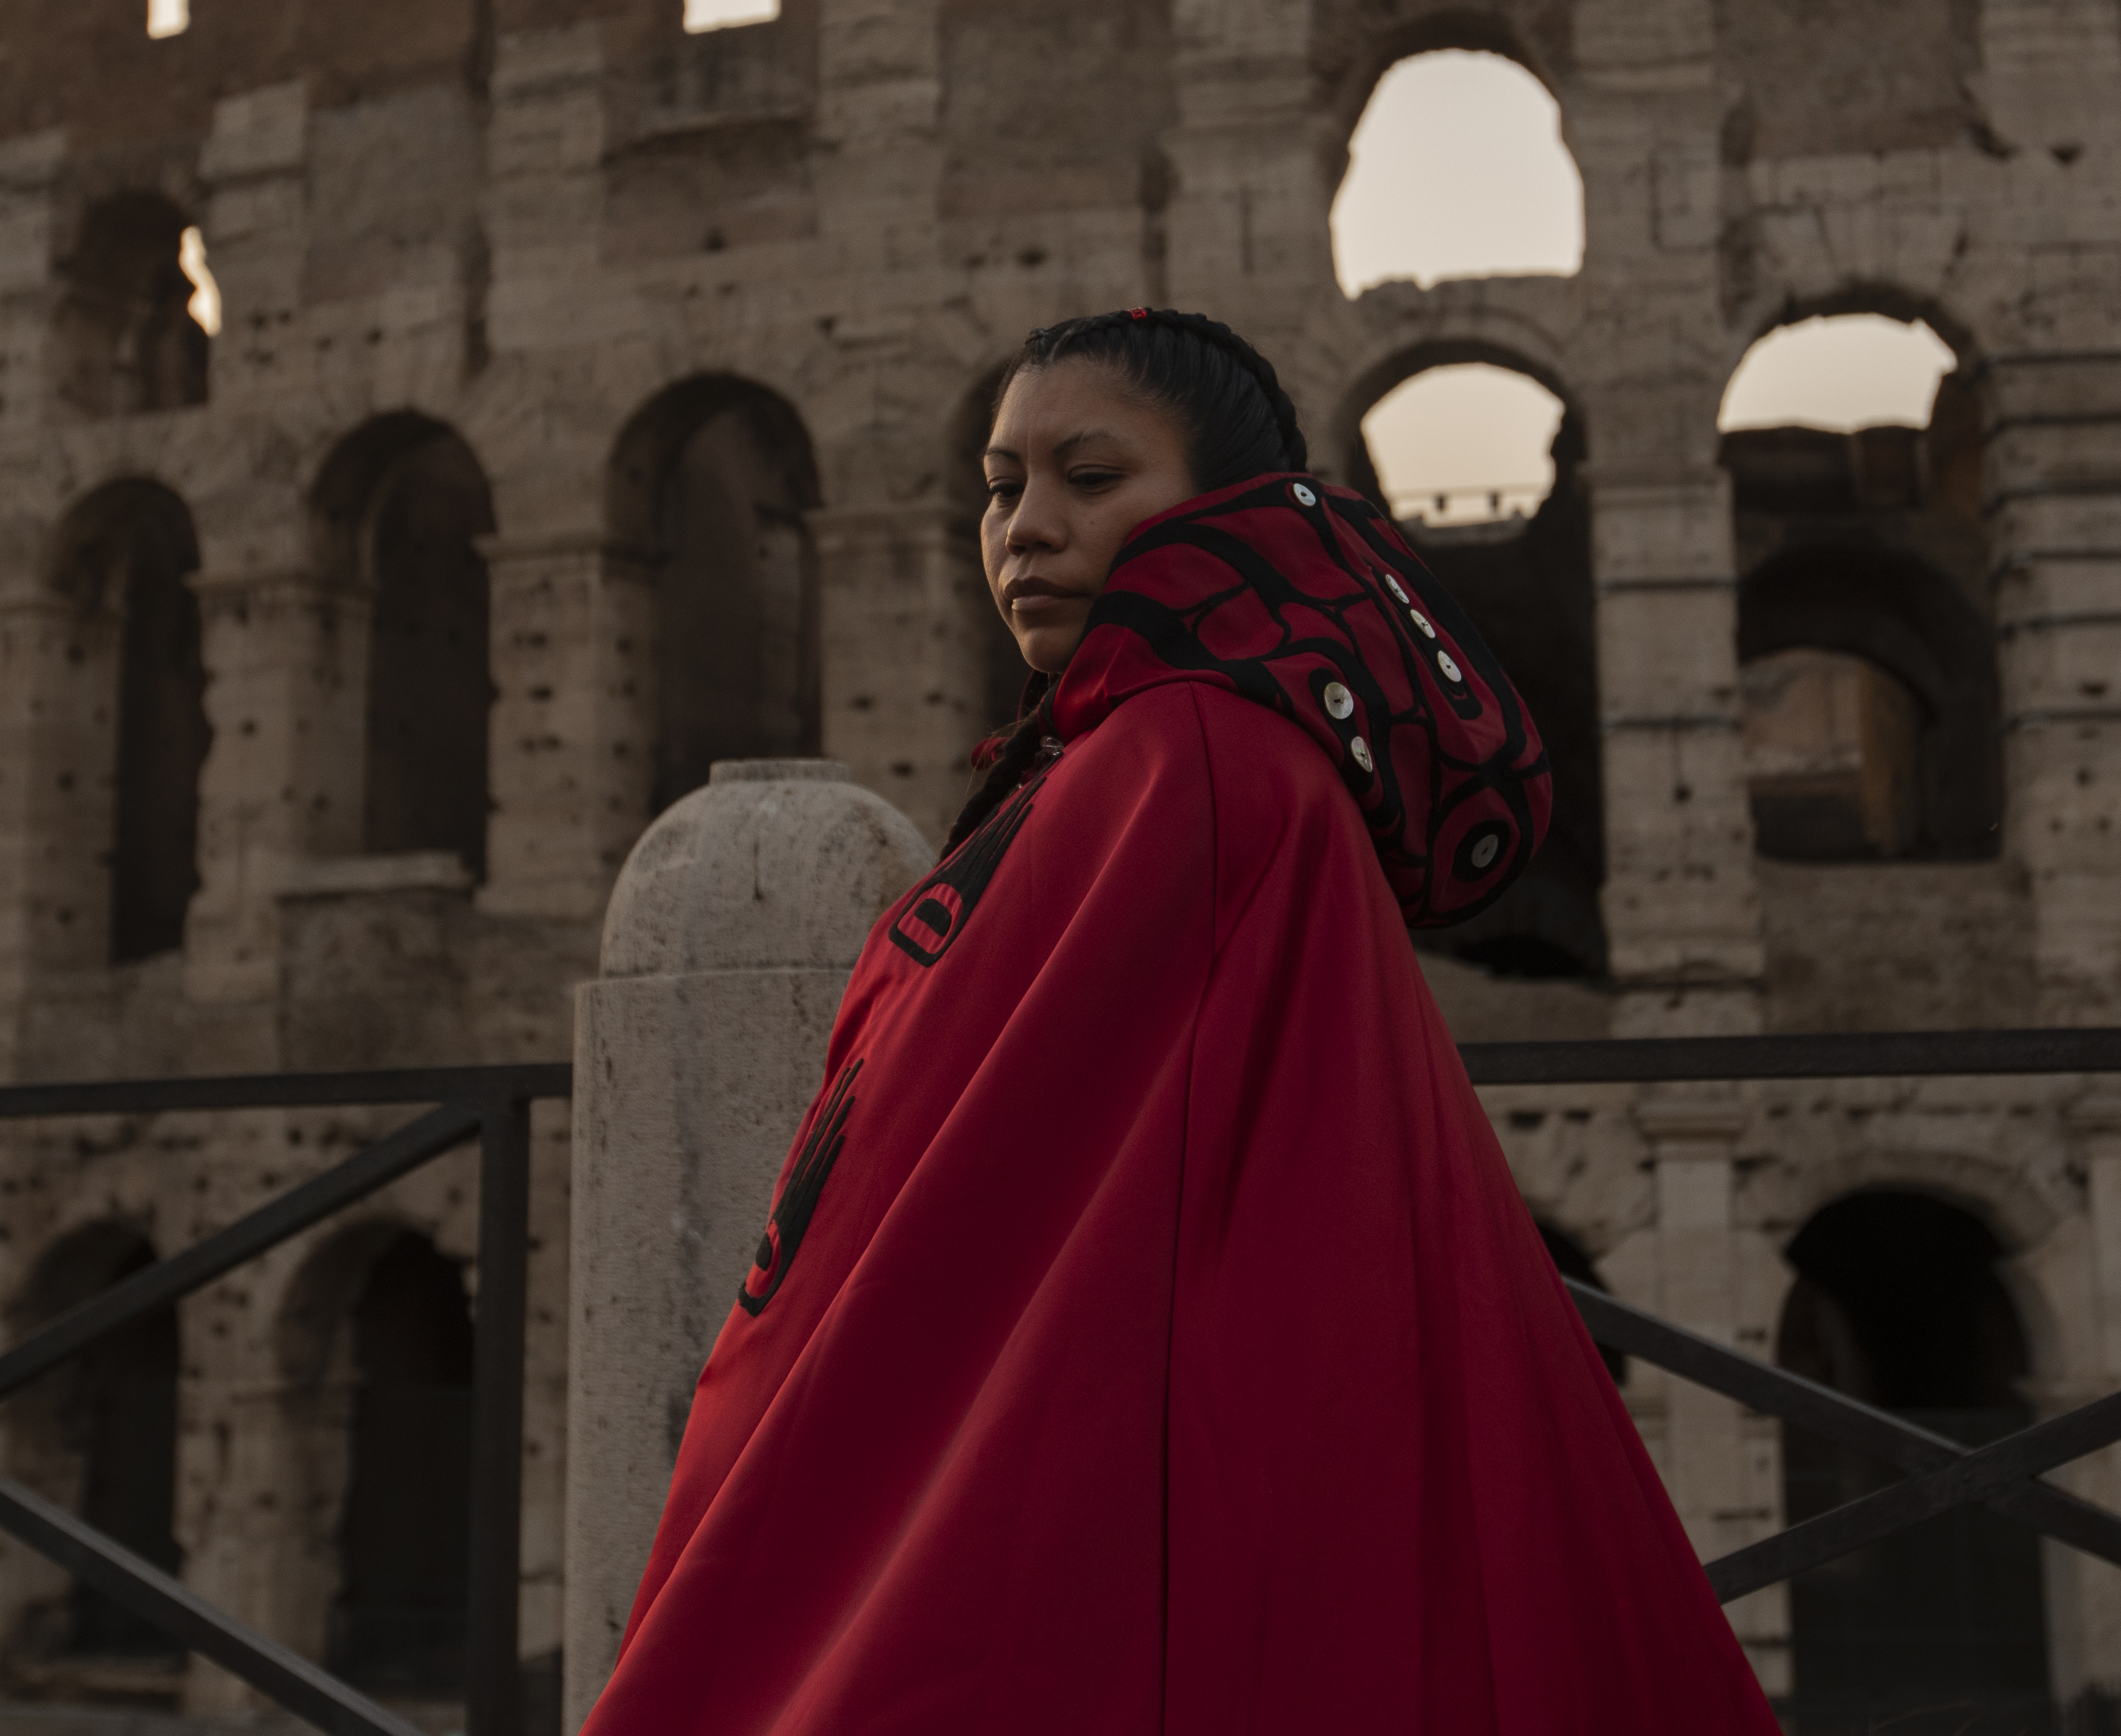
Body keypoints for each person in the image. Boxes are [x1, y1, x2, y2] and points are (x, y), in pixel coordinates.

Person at [585, 308, 1777, 1735]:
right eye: (1000, 484)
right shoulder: (1139, 749)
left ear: (1225, 511)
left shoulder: (1184, 764)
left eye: (1091, 479)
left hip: (1063, 1473)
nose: (1026, 527)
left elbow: (999, 1200)